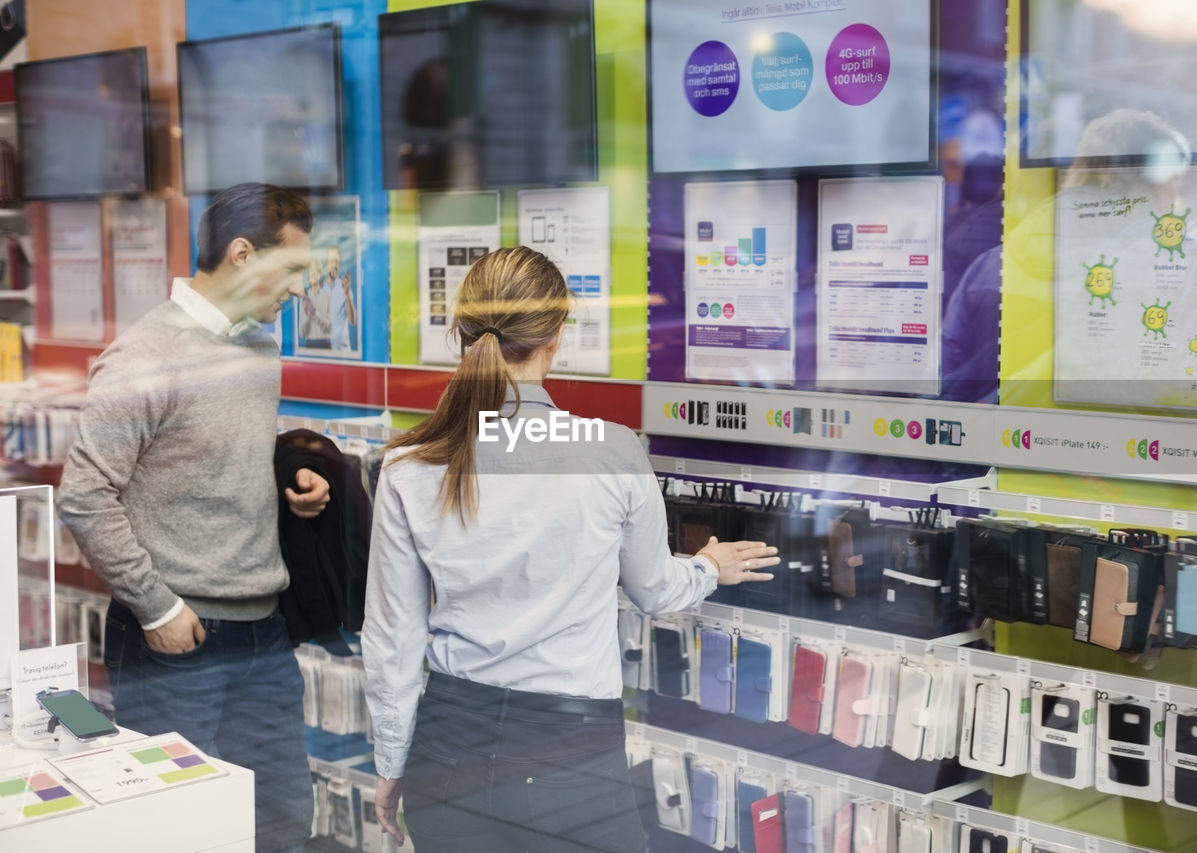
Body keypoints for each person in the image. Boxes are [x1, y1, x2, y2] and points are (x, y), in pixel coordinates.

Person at [362, 246, 779, 852]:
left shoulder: (409, 464)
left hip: (447, 743)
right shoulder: (610, 451)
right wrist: (709, 568)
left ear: (462, 333)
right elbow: (655, 590)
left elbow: (392, 637)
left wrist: (393, 762)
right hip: (568, 750)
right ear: (557, 335)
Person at [58, 182, 331, 853]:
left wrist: (285, 475)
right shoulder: (144, 356)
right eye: (290, 269)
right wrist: (155, 606)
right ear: (242, 254)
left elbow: (203, 453)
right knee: (181, 833)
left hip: (265, 634)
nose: (298, 289)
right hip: (176, 642)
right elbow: (84, 493)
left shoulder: (258, 347)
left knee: (285, 823)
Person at [320, 245, 356, 352]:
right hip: (324, 351)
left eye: (336, 261)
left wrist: (347, 294)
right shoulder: (320, 289)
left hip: (342, 352)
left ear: (339, 265)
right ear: (326, 264)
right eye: (331, 261)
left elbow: (352, 321)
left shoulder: (345, 288)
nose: (334, 265)